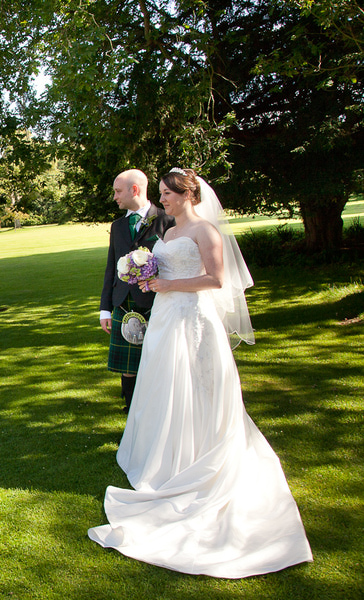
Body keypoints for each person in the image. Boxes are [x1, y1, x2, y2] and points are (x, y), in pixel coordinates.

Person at [88, 168, 312, 578]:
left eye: (167, 194)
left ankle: (201, 452)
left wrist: (169, 286)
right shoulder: (171, 233)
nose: (163, 200)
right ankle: (169, 452)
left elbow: (216, 279)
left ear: (187, 195)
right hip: (165, 318)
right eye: (160, 194)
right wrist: (147, 276)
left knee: (196, 385)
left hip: (193, 319)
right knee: (166, 385)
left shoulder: (205, 231)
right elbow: (162, 271)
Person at [100, 169, 175, 411]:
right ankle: (131, 409)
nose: (114, 197)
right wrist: (105, 309)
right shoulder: (118, 226)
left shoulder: (167, 220)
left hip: (157, 302)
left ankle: (158, 408)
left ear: (135, 190)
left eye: (118, 191)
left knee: (157, 360)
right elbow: (111, 268)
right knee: (128, 366)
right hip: (123, 302)